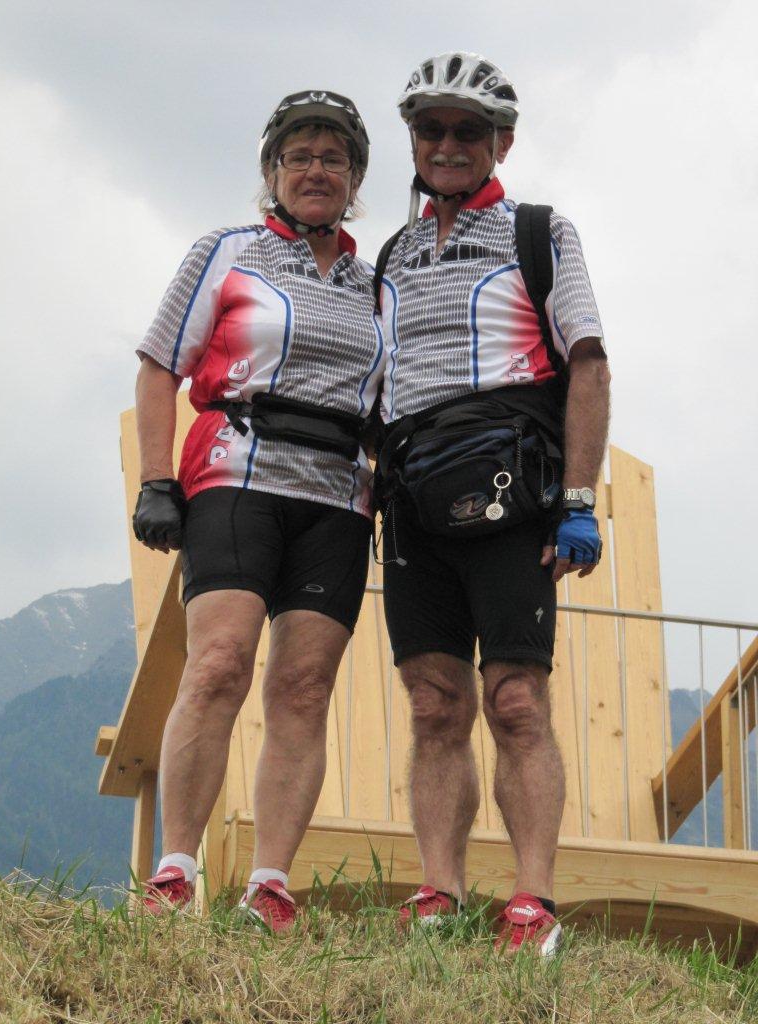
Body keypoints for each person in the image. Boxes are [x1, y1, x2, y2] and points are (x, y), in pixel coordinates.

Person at [376, 52, 610, 956]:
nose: (447, 145)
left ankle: (533, 902)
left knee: (515, 701)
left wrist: (580, 501)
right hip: (412, 499)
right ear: (413, 141)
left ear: (501, 142)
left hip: (515, 492)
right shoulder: (392, 254)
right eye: (430, 129)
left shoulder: (540, 233)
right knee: (434, 704)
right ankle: (438, 893)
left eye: (467, 130)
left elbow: (588, 364)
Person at [132, 90, 383, 931]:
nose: (316, 170)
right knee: (218, 665)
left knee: (304, 687)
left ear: (355, 181)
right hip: (237, 470)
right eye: (299, 156)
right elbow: (159, 366)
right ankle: (175, 873)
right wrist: (155, 479)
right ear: (272, 171)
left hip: (338, 493)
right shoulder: (227, 250)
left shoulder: (374, 285)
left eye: (334, 159)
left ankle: (270, 885)